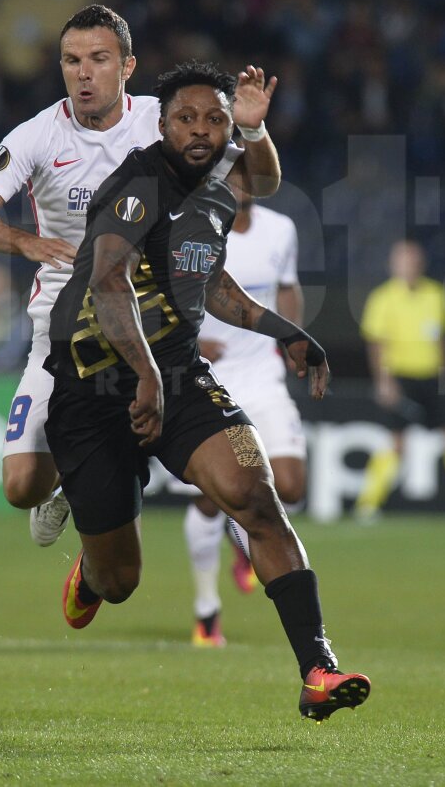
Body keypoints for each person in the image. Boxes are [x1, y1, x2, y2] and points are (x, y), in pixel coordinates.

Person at [43, 61, 370, 721]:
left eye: (214, 120)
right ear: (162, 126)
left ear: (228, 128)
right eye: (186, 119)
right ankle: (92, 560)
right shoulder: (137, 183)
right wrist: (144, 377)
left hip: (176, 376)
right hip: (95, 383)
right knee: (121, 581)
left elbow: (211, 284)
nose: (200, 130)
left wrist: (285, 330)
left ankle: (318, 670)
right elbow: (108, 284)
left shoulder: (220, 194)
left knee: (256, 499)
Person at [0, 3, 282, 546]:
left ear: (127, 67)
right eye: (72, 60)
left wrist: (255, 129)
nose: (84, 72)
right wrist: (23, 240)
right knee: (20, 486)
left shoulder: (164, 119)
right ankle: (77, 482)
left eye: (99, 59)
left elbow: (260, 184)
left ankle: (120, 483)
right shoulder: (38, 135)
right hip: (63, 336)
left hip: (152, 328)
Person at [186, 188, 307, 647]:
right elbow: (156, 295)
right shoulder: (192, 227)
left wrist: (291, 338)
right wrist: (191, 344)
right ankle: (206, 613)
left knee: (291, 485)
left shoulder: (281, 229)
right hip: (208, 381)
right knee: (208, 498)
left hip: (263, 377)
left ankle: (242, 541)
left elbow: (288, 287)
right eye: (236, 172)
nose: (245, 182)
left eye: (252, 173)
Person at [354, 239, 445, 522]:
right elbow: (376, 344)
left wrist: (443, 374)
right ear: (393, 265)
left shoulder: (436, 294)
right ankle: (367, 505)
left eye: (412, 261)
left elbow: (440, 339)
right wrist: (384, 382)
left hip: (431, 377)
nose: (408, 266)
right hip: (400, 377)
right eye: (402, 261)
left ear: (420, 264)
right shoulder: (383, 298)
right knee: (396, 442)